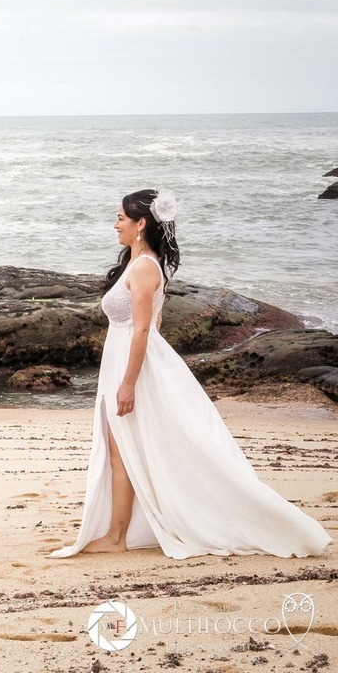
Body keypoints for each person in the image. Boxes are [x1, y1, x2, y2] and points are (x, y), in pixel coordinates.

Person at [51, 189, 331, 559]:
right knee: (119, 452)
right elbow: (154, 322)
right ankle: (117, 533)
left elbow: (143, 329)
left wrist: (130, 383)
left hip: (132, 364)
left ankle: (118, 536)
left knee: (130, 450)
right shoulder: (137, 264)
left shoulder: (147, 267)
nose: (115, 224)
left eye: (120, 218)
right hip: (122, 358)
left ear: (141, 224)